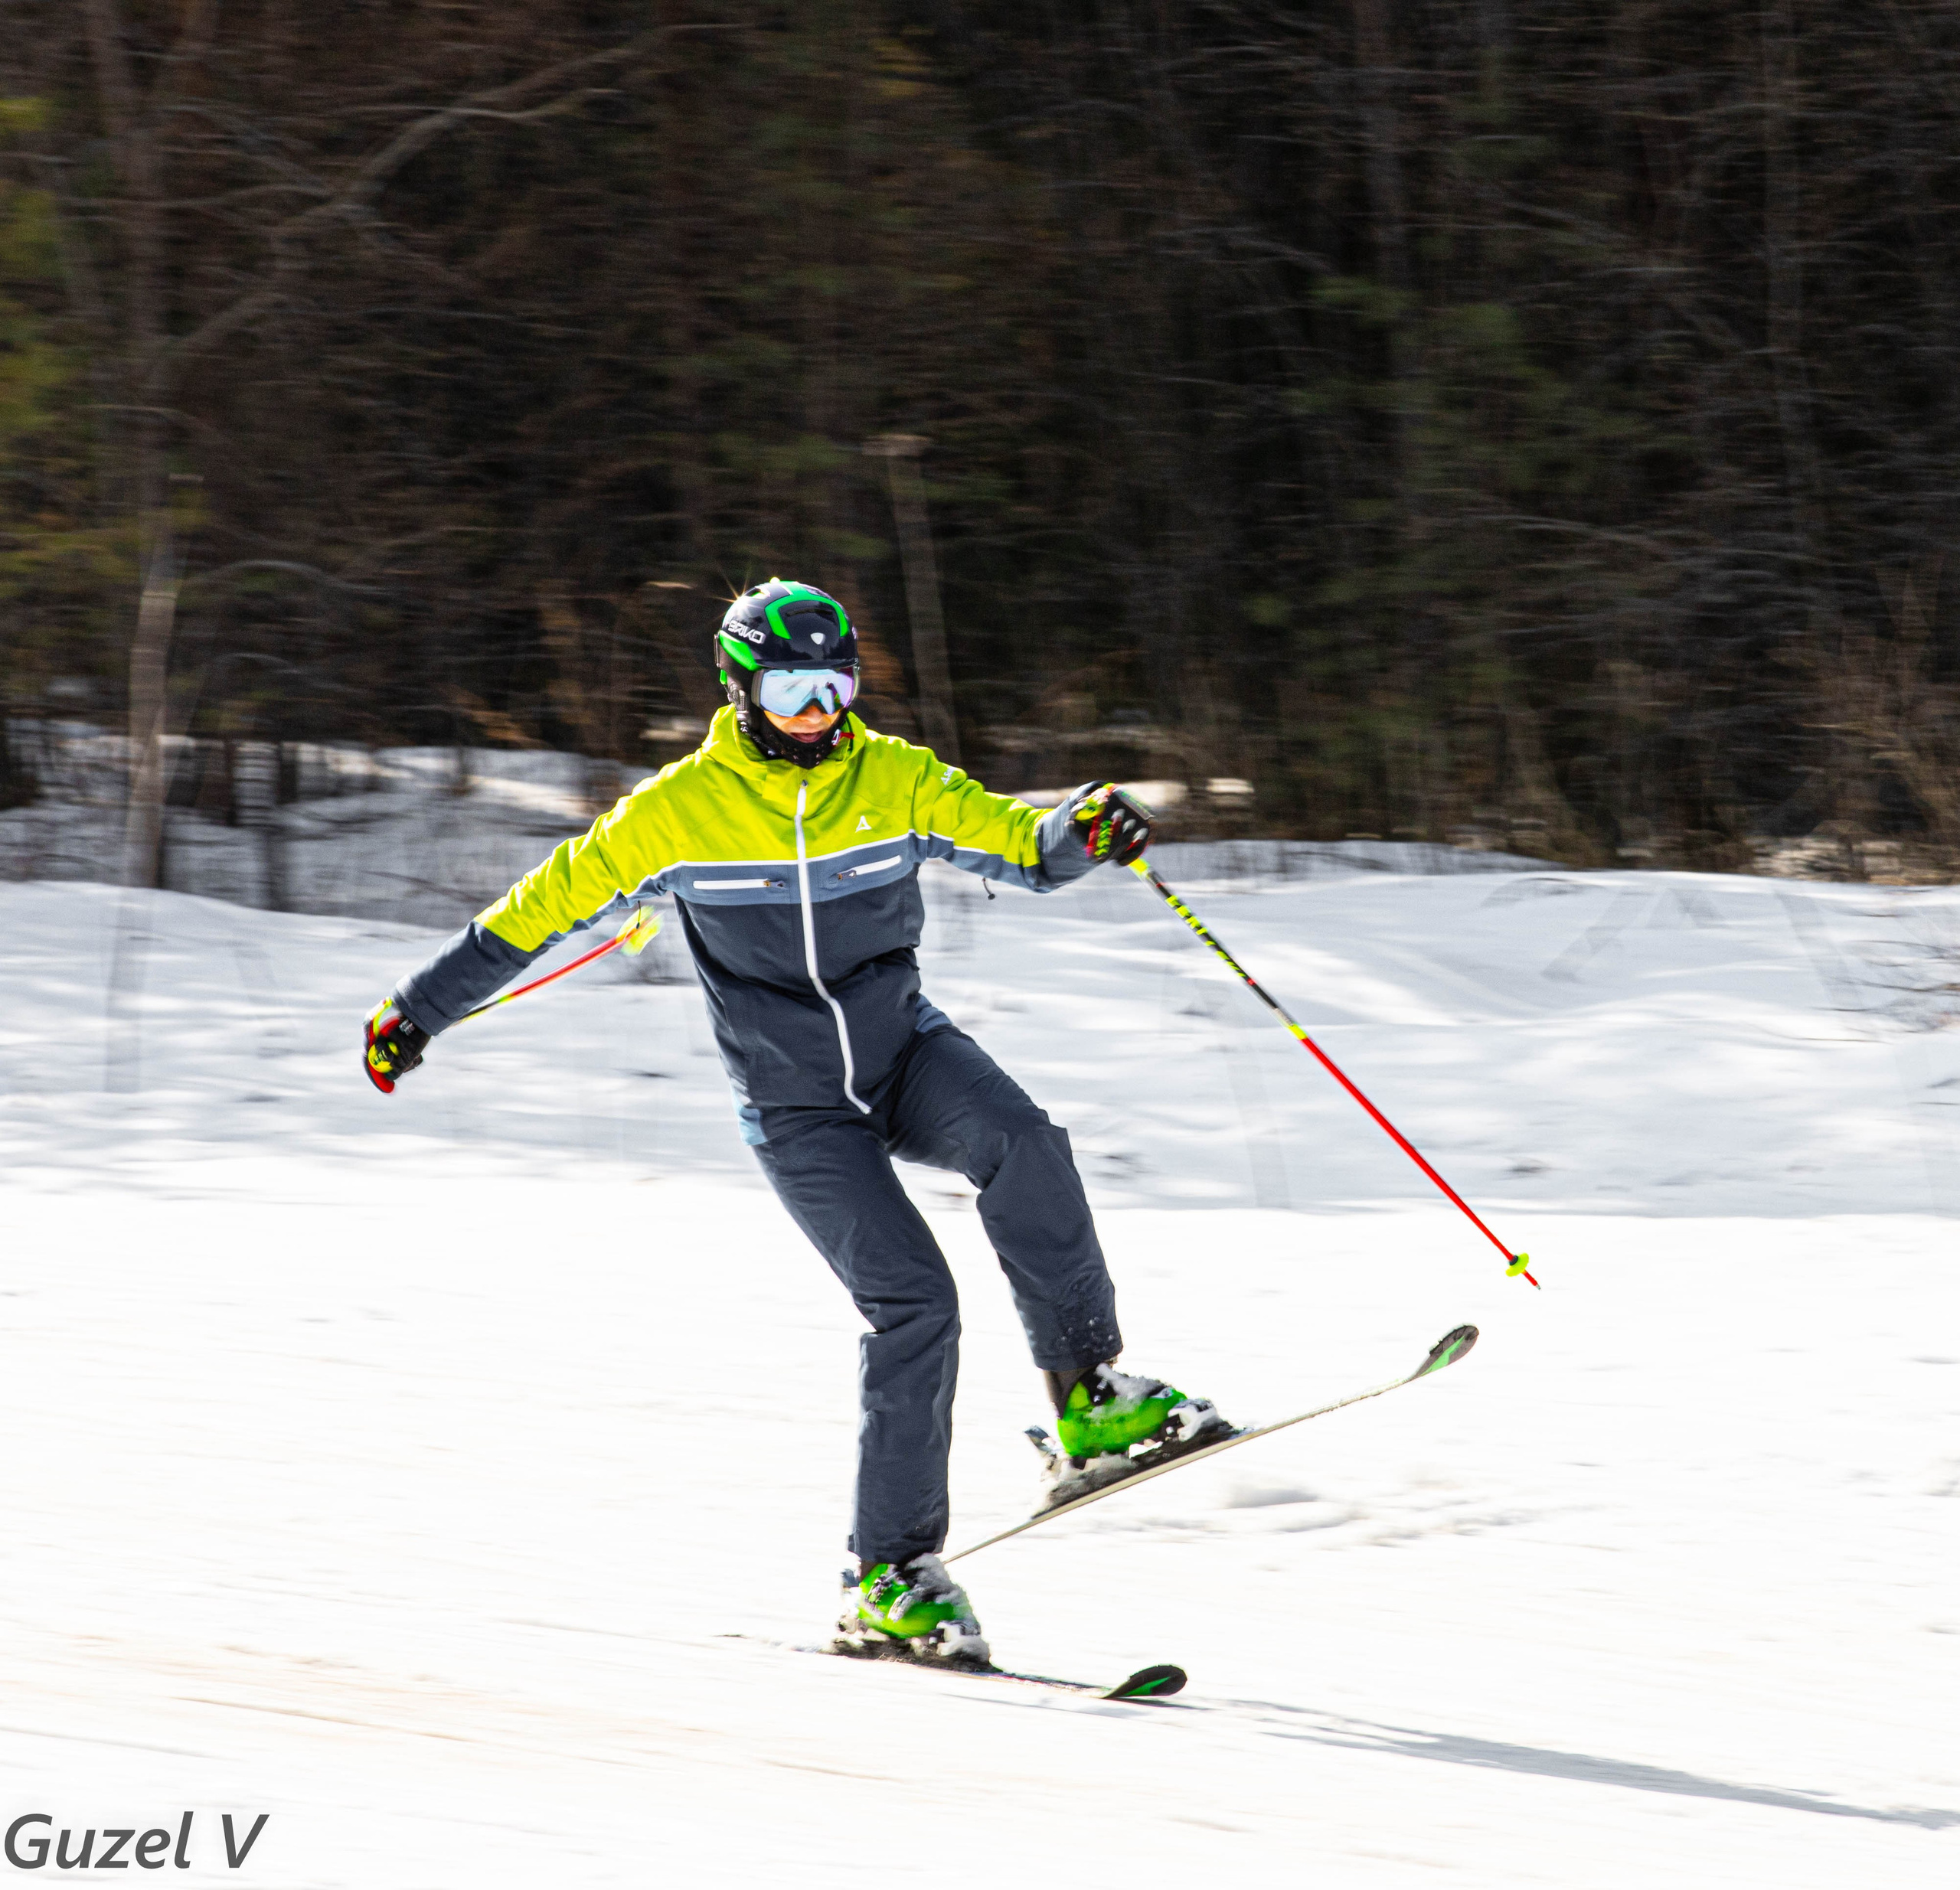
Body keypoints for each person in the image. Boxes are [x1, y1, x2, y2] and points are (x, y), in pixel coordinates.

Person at [361, 578, 1229, 1666]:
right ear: (740, 688)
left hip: (905, 1054)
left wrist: (1080, 826)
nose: (819, 709)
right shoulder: (676, 810)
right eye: (791, 687)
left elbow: (1018, 842)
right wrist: (416, 1010)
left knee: (1025, 1141)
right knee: (916, 1302)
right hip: (799, 1106)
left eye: (836, 683)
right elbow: (538, 908)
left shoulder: (895, 774)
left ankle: (1089, 1400)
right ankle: (888, 1576)